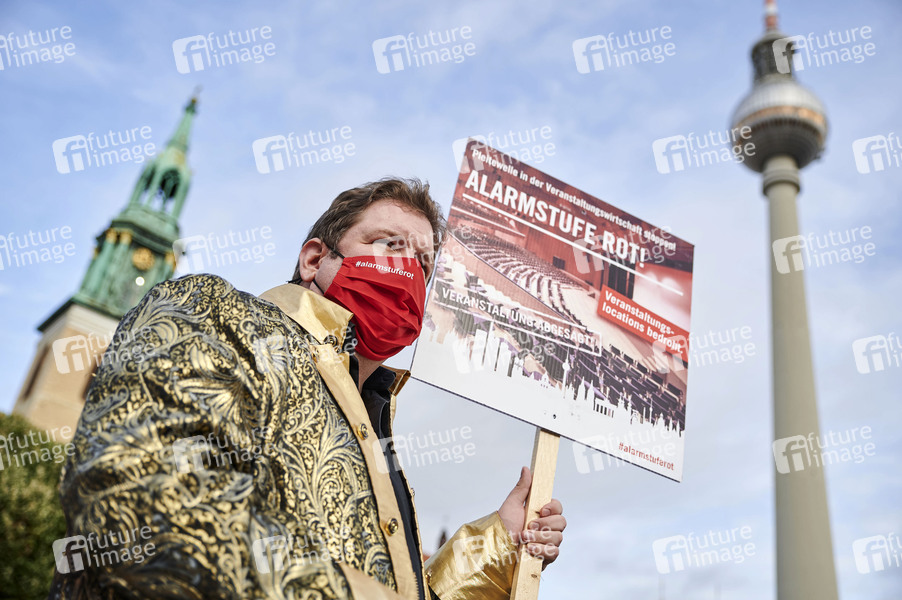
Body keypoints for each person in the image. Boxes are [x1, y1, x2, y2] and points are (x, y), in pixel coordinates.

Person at [48, 178, 565, 600]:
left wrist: (500, 541)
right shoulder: (218, 315)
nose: (408, 269)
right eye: (389, 244)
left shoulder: (376, 436)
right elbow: (140, 496)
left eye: (423, 264)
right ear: (315, 260)